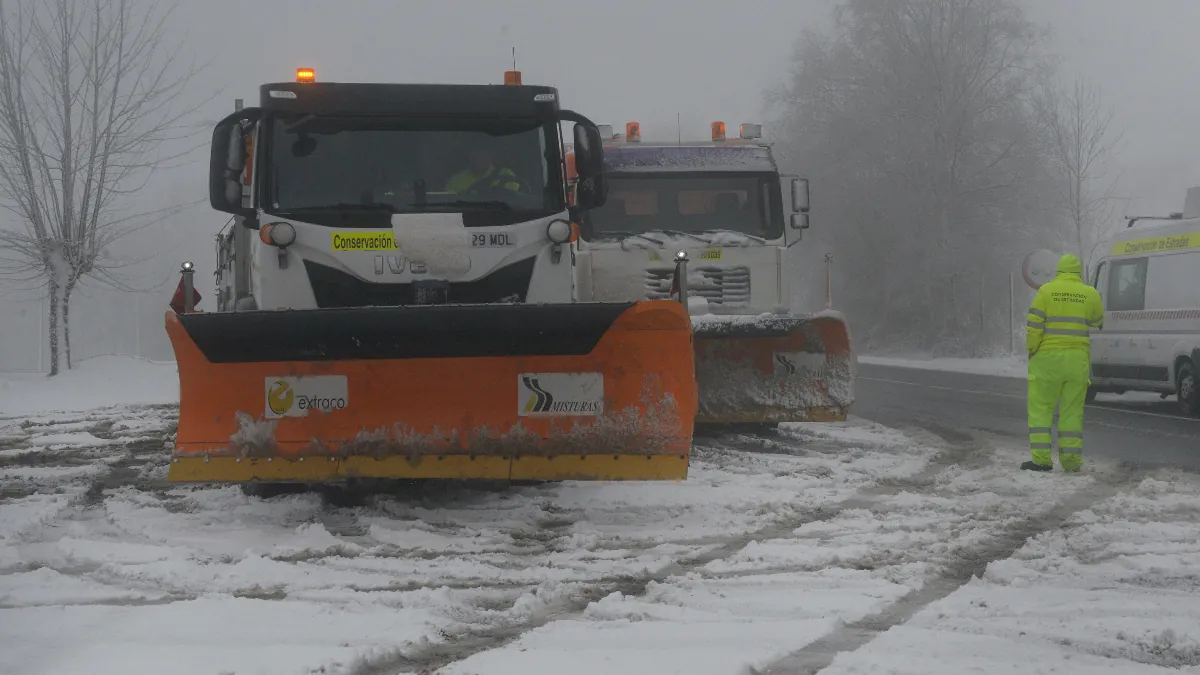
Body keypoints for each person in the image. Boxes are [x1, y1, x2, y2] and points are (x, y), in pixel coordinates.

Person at [1023, 253, 1104, 473]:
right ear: (1078, 273)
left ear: (1058, 271)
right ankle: (1070, 462)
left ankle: (1041, 460)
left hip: (1047, 360)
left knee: (1041, 409)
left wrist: (1032, 349)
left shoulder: (1046, 291)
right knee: (1072, 412)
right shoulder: (1090, 293)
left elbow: (1034, 325)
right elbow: (1098, 321)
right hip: (1077, 361)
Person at [444, 147, 522, 195]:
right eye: (475, 157)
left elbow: (511, 200)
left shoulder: (506, 175)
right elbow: (449, 201)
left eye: (482, 157)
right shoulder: (456, 180)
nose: (478, 160)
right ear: (470, 157)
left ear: (490, 156)